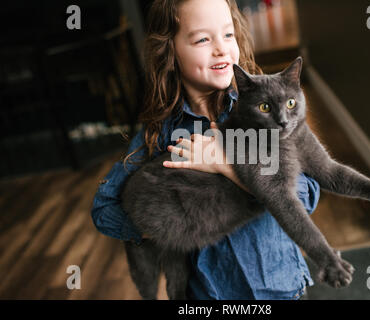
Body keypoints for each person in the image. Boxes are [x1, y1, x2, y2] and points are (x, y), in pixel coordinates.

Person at [91, 0, 320, 300]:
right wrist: (163, 227)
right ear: (170, 52)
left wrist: (226, 165)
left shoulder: (269, 116)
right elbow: (103, 209)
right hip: (209, 296)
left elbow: (307, 195)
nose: (221, 49)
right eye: (202, 39)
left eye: (228, 35)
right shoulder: (159, 135)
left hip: (281, 287)